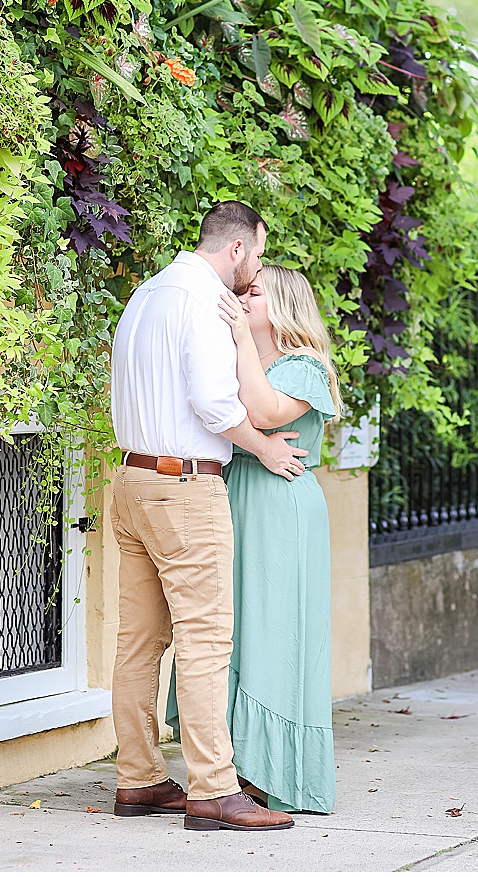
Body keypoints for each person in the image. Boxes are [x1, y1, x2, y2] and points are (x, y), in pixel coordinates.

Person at [109, 202, 309, 832]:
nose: (256, 269)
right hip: (185, 488)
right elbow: (214, 402)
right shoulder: (202, 300)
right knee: (205, 640)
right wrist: (264, 446)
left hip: (133, 479)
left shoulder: (147, 295)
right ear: (237, 249)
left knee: (138, 643)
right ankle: (214, 789)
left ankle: (137, 781)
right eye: (257, 252)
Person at [166, 263, 339, 814]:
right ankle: (232, 767)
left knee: (273, 630)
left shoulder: (304, 366)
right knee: (230, 627)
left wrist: (239, 336)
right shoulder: (245, 358)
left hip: (281, 505)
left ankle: (274, 770)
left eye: (254, 292)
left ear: (284, 304)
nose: (241, 298)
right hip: (236, 494)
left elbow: (264, 413)